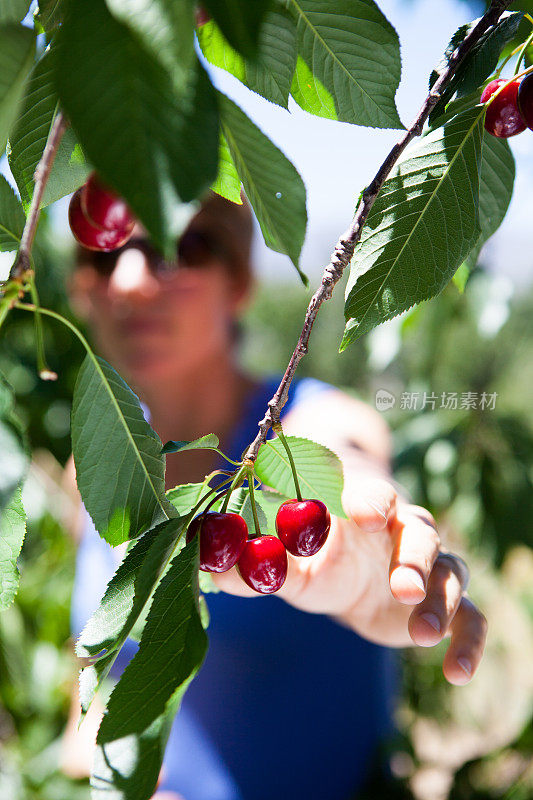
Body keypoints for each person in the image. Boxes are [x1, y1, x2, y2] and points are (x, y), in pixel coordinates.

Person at [61, 193, 487, 800]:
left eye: (175, 249)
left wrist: (373, 562)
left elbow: (351, 465)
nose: (129, 282)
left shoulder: (310, 425)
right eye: (105, 256)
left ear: (237, 280)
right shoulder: (98, 468)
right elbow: (98, 697)